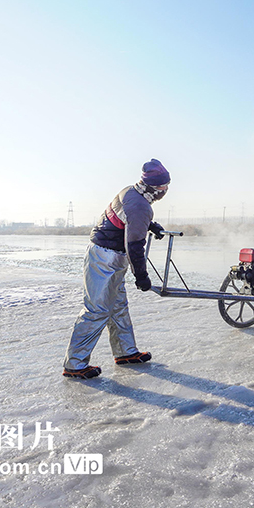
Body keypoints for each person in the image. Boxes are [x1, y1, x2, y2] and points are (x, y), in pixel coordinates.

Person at [62, 159, 170, 379]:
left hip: (112, 256)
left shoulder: (131, 191)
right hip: (104, 257)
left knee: (118, 306)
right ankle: (75, 363)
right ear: (152, 188)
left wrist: (151, 225)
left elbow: (128, 216)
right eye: (163, 188)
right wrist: (141, 277)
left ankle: (125, 352)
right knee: (97, 309)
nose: (165, 191)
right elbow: (134, 246)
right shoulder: (141, 206)